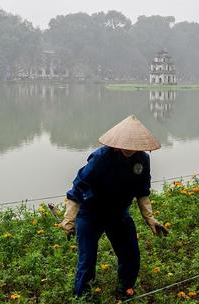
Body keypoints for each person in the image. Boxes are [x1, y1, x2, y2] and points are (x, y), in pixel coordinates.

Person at [60, 115, 168, 298]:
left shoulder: (142, 160)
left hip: (118, 214)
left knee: (131, 256)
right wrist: (69, 219)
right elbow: (78, 186)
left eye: (133, 145)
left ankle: (124, 292)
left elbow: (142, 192)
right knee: (87, 261)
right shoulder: (101, 158)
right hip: (91, 213)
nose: (128, 149)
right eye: (125, 144)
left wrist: (150, 219)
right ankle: (81, 298)